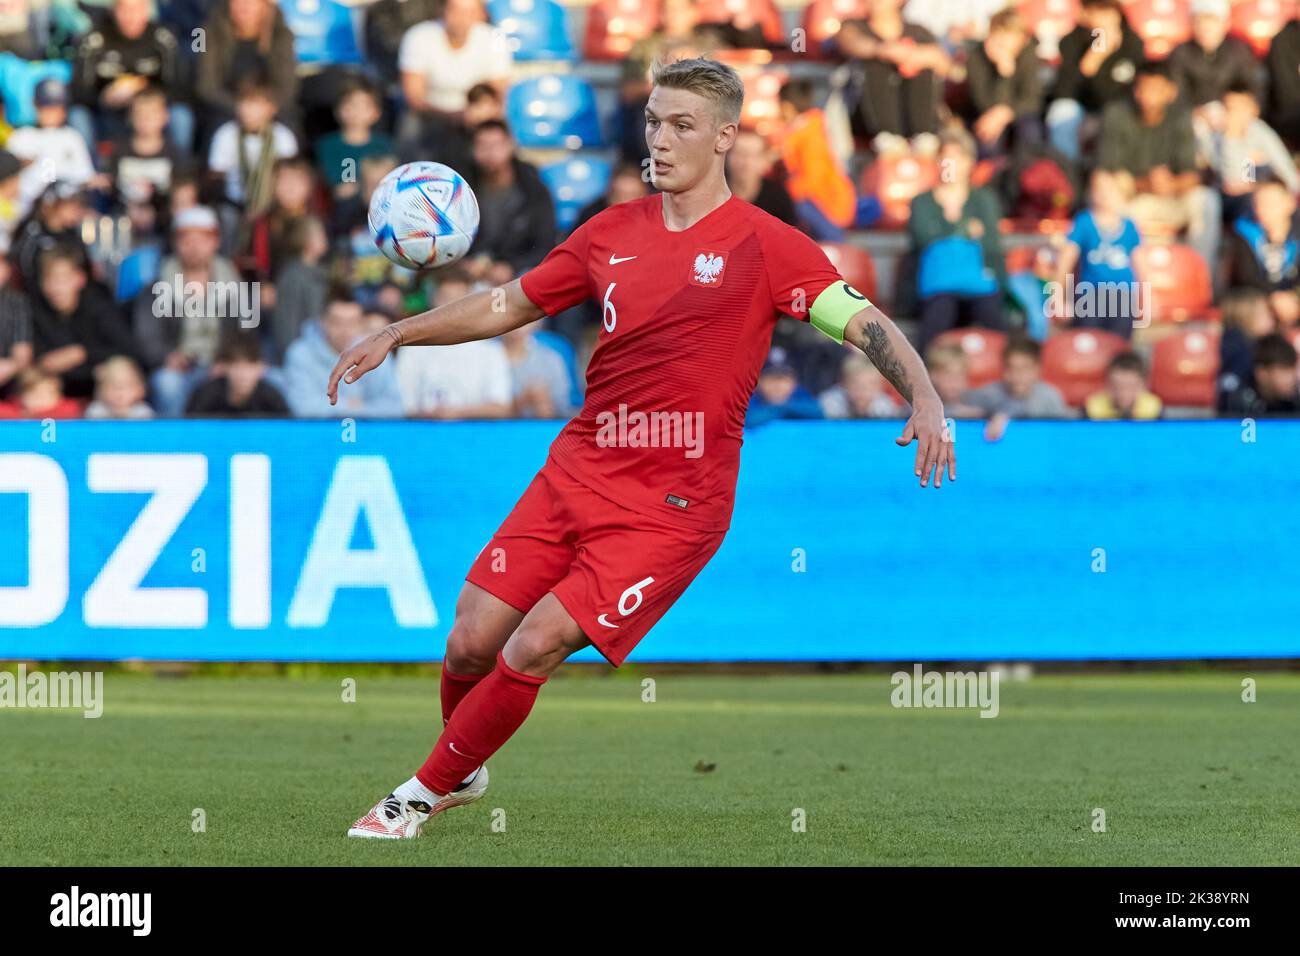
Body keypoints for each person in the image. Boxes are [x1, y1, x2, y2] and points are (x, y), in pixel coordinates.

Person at [326, 56, 952, 839]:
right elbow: (508, 303)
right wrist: (400, 331)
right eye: (653, 121)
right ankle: (464, 764)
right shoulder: (611, 231)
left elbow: (864, 324)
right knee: (469, 640)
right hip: (582, 466)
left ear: (725, 137)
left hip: (675, 504)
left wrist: (923, 395)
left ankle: (416, 795)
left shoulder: (768, 245)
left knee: (535, 642)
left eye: (681, 125)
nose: (659, 139)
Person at [1098, 61, 1220, 272]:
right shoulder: (1117, 114)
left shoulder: (1181, 117)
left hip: (1173, 197)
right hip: (1135, 199)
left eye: (1156, 89)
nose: (1148, 96)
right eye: (1143, 88)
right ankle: (1122, 280)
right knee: (1112, 204)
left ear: (1170, 92)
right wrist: (1147, 184)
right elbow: (1108, 173)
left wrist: (1171, 184)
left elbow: (1192, 174)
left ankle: (1200, 275)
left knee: (1208, 201)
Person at [133, 205, 245, 415]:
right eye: (187, 240)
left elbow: (246, 333)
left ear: (215, 242)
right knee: (167, 384)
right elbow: (147, 337)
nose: (194, 247)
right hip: (179, 369)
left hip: (223, 365)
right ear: (176, 244)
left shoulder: (235, 284)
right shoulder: (157, 286)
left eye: (202, 240)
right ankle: (175, 444)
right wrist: (168, 357)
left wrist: (230, 361)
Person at [908, 129, 1007, 346]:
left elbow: (991, 244)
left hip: (979, 284)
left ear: (970, 162)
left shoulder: (984, 199)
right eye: (944, 157)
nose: (949, 163)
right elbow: (923, 238)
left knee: (995, 322)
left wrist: (946, 231)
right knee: (938, 315)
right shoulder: (921, 201)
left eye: (957, 157)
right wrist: (965, 229)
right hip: (938, 286)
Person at [69, 0, 189, 150]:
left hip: (151, 115)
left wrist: (146, 95)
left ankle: (179, 168)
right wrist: (104, 97)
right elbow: (77, 91)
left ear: (146, 11)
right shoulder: (94, 40)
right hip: (106, 113)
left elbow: (179, 87)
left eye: (137, 9)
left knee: (181, 116)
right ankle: (91, 172)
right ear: (114, 11)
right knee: (78, 115)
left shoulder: (163, 38)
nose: (131, 17)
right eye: (124, 10)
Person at [395, 270, 512, 419]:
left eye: (460, 300)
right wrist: (431, 415)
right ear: (433, 300)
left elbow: (501, 407)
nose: (452, 307)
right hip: (423, 434)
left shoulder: (491, 351)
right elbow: (402, 406)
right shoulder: (412, 349)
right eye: (446, 298)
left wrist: (458, 413)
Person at [397, 0, 512, 149]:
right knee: (412, 124)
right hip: (430, 117)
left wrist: (478, 111)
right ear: (443, 10)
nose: (462, 18)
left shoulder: (493, 39)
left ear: (481, 14)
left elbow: (497, 91)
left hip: (476, 115)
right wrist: (454, 115)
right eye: (456, 11)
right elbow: (415, 98)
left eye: (470, 12)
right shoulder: (419, 36)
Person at [30, 245, 139, 400]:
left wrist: (81, 353)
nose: (55, 287)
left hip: (99, 390)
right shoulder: (36, 310)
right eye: (48, 280)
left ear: (80, 279)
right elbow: (39, 359)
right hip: (53, 388)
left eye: (62, 279)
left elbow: (128, 349)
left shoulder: (98, 305)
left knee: (117, 370)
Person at [1046, 0, 1144, 163]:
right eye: (1098, 12)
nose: (1104, 20)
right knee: (1062, 113)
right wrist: (1094, 58)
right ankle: (1067, 173)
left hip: (1115, 108)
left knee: (1120, 116)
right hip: (1081, 107)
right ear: (1087, 15)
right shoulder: (1072, 41)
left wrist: (1101, 117)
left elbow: (1134, 88)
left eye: (1108, 12)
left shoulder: (1132, 43)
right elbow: (1064, 91)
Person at [286, 291, 404, 418]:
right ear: (323, 322)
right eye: (337, 323)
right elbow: (303, 408)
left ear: (361, 324)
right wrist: (353, 406)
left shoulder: (375, 352)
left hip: (368, 431)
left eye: (352, 323)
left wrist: (343, 408)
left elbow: (395, 406)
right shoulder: (300, 354)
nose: (345, 330)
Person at [1055, 169, 1143, 338]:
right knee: (1089, 342)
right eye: (1098, 189)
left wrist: (1146, 298)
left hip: (1122, 296)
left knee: (1119, 345)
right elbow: (1066, 261)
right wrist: (1060, 298)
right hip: (1091, 295)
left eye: (1109, 190)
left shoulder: (1130, 226)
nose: (1103, 195)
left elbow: (1140, 265)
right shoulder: (1084, 222)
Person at [463, 119, 557, 275]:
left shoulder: (534, 189)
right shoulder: (462, 189)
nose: (490, 153)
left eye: (496, 145)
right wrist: (463, 264)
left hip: (517, 274)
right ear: (473, 150)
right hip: (470, 274)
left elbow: (545, 245)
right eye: (483, 146)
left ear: (511, 145)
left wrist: (512, 267)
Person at [195, 0, 299, 123]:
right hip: (224, 111)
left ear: (264, 5)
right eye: (236, 1)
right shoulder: (206, 34)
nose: (243, 6)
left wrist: (264, 110)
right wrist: (240, 109)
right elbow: (206, 87)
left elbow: (287, 88)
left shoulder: (282, 35)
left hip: (271, 111)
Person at [5, 78, 97, 215]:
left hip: (63, 212)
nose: (51, 113)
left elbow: (86, 178)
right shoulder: (20, 137)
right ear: (35, 104)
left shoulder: (72, 137)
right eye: (46, 106)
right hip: (24, 211)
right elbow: (8, 184)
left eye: (57, 106)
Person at [963, 7, 1044, 159]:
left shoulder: (1029, 54)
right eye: (999, 35)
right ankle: (991, 178)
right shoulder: (976, 57)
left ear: (1022, 39)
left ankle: (1027, 173)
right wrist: (1004, 74)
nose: (1003, 43)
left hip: (1019, 114)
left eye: (1010, 36)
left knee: (1030, 131)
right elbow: (983, 102)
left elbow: (1033, 100)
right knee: (988, 138)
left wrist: (1006, 113)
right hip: (988, 114)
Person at [961, 336, 1071, 440]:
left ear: (1037, 370)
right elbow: (953, 411)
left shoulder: (1050, 397)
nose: (1017, 375)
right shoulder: (988, 395)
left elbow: (1061, 432)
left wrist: (1005, 414)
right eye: (1010, 368)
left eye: (1024, 368)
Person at [1226, 178, 1300, 327]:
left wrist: (1294, 297)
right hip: (1258, 301)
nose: (1264, 209)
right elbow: (1246, 277)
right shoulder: (1244, 233)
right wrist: (1273, 297)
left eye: (1271, 203)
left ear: (1290, 203)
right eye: (1259, 204)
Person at [315, 79, 395, 202]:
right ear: (338, 109)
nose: (355, 111)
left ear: (376, 112)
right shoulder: (329, 145)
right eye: (349, 104)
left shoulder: (385, 145)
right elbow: (341, 189)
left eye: (362, 106)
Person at [184, 331, 289, 416]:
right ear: (225, 368)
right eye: (237, 366)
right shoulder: (206, 396)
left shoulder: (271, 399)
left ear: (261, 367)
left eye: (249, 367)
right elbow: (188, 432)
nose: (242, 375)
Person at [1216, 287, 1276, 412]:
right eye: (1266, 312)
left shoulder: (1255, 345)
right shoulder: (1236, 347)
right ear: (1246, 315)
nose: (1272, 318)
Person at [726, 128, 798, 228]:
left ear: (765, 161)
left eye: (753, 156)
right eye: (739, 154)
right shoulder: (711, 193)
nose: (746, 162)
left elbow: (791, 236)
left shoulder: (777, 196)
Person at [1222, 333, 1300, 415]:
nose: (1291, 379)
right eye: (1284, 371)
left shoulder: (1294, 402)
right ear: (1262, 374)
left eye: (1292, 370)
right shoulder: (1240, 403)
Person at [745, 346, 824, 425]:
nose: (777, 385)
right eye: (771, 379)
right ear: (759, 382)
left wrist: (782, 408)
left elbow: (819, 412)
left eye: (783, 379)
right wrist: (780, 409)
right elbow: (747, 419)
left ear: (794, 382)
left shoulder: (800, 394)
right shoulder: (749, 398)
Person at [818, 351, 900, 419]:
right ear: (844, 384)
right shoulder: (830, 403)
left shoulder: (884, 407)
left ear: (879, 387)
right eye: (856, 386)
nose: (862, 392)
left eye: (869, 387)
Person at [1083, 351, 1162, 419]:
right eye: (1116, 387)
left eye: (1130, 386)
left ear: (1143, 386)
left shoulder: (1153, 409)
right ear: (1106, 385)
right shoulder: (1093, 409)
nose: (1123, 393)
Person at [85, 354, 154, 418]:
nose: (119, 393)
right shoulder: (96, 413)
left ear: (139, 389)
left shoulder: (143, 413)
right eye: (113, 387)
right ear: (102, 390)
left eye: (125, 387)